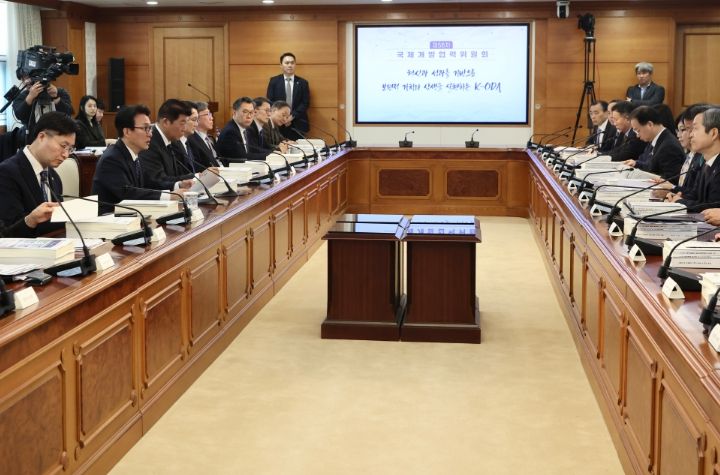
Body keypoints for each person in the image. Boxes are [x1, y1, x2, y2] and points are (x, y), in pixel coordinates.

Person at [92, 105, 191, 215]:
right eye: (145, 128)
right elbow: (128, 193)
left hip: (133, 215)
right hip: (111, 219)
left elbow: (150, 183)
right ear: (127, 131)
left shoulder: (132, 154)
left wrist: (178, 185)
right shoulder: (111, 159)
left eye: (150, 128)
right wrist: (170, 196)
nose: (150, 134)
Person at [0, 112, 76, 236]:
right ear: (42, 137)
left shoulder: (53, 176)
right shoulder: (6, 173)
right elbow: (7, 233)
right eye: (63, 146)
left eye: (70, 149)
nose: (66, 155)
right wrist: (31, 220)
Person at [670, 108, 720, 212]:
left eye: (695, 129)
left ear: (713, 133)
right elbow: (695, 195)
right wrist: (676, 196)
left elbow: (713, 208)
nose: (690, 135)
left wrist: (680, 202)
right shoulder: (707, 162)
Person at [139, 99, 195, 190]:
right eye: (182, 123)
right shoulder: (149, 142)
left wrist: (197, 177)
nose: (185, 128)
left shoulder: (173, 140)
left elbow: (175, 175)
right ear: (166, 122)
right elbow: (156, 180)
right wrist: (180, 184)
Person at [624, 106, 685, 183]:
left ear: (650, 124)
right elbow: (649, 164)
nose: (637, 135)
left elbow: (670, 180)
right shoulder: (655, 139)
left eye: (638, 130)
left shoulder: (669, 146)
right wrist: (636, 164)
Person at [266, 52, 310, 140]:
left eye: (292, 63)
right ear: (281, 65)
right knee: (279, 146)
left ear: (295, 65)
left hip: (298, 123)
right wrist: (282, 117)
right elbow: (270, 101)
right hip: (278, 123)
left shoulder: (303, 83)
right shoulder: (274, 81)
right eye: (287, 63)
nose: (290, 65)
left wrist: (291, 116)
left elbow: (305, 103)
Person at [216, 97, 268, 161]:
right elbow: (242, 157)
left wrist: (272, 153)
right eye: (245, 112)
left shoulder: (246, 130)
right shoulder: (230, 132)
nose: (249, 116)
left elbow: (255, 150)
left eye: (251, 112)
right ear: (234, 112)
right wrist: (268, 156)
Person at [187, 101, 221, 168]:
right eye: (208, 114)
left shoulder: (210, 138)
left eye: (211, 114)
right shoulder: (191, 140)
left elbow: (217, 160)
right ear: (197, 117)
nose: (212, 118)